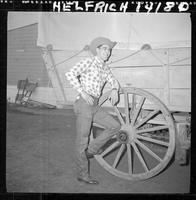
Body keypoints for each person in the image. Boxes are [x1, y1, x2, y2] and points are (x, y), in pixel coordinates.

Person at [65, 37, 121, 185]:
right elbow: (70, 74)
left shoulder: (105, 67)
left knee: (115, 126)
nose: (107, 52)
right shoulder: (88, 61)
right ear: (97, 50)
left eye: (109, 50)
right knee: (81, 141)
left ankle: (92, 150)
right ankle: (82, 175)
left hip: (94, 105)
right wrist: (82, 92)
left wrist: (115, 89)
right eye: (104, 49)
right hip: (84, 103)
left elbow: (114, 81)